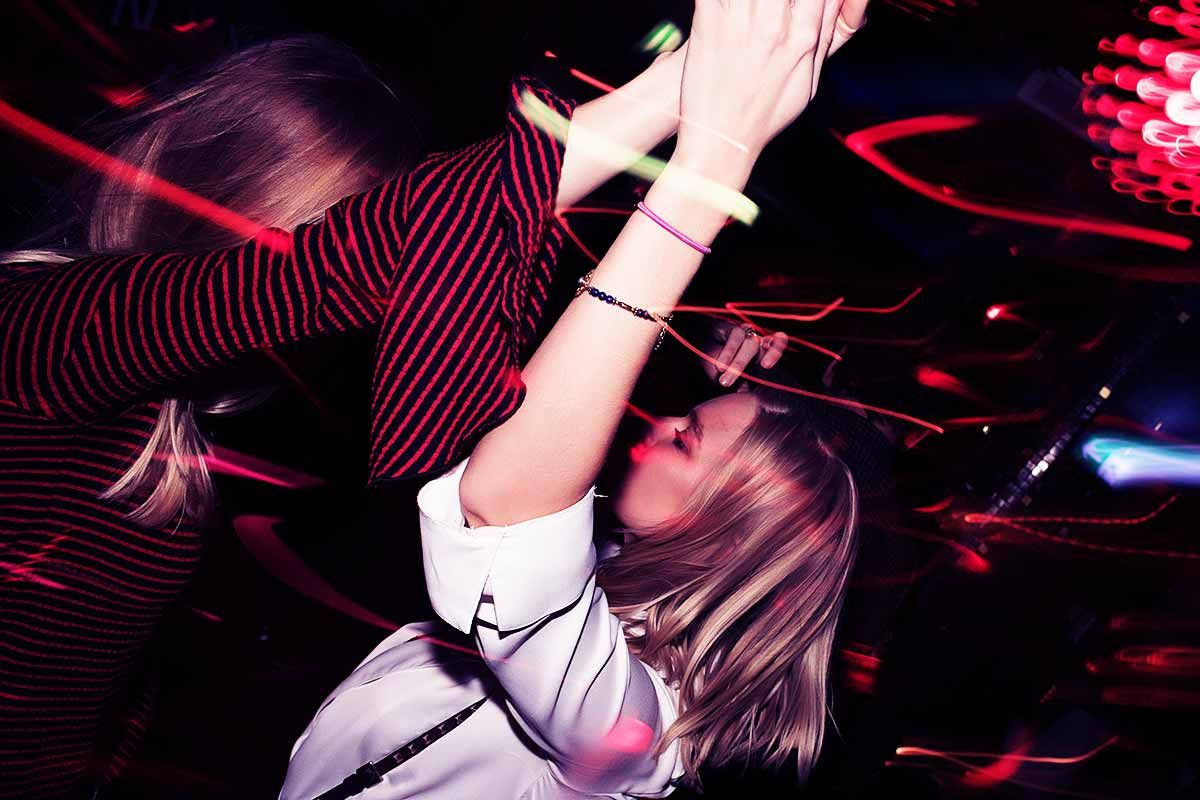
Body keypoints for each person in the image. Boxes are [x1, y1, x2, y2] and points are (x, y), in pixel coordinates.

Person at [0, 33, 692, 799]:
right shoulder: (38, 329)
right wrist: (681, 94)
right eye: (325, 229)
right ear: (239, 202)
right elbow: (342, 267)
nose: (364, 316)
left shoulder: (169, 398)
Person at [279, 1, 869, 797]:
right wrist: (692, 80)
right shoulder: (613, 575)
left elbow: (508, 507)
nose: (663, 420)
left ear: (734, 528)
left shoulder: (638, 732)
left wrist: (711, 169)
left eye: (687, 438)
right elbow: (453, 239)